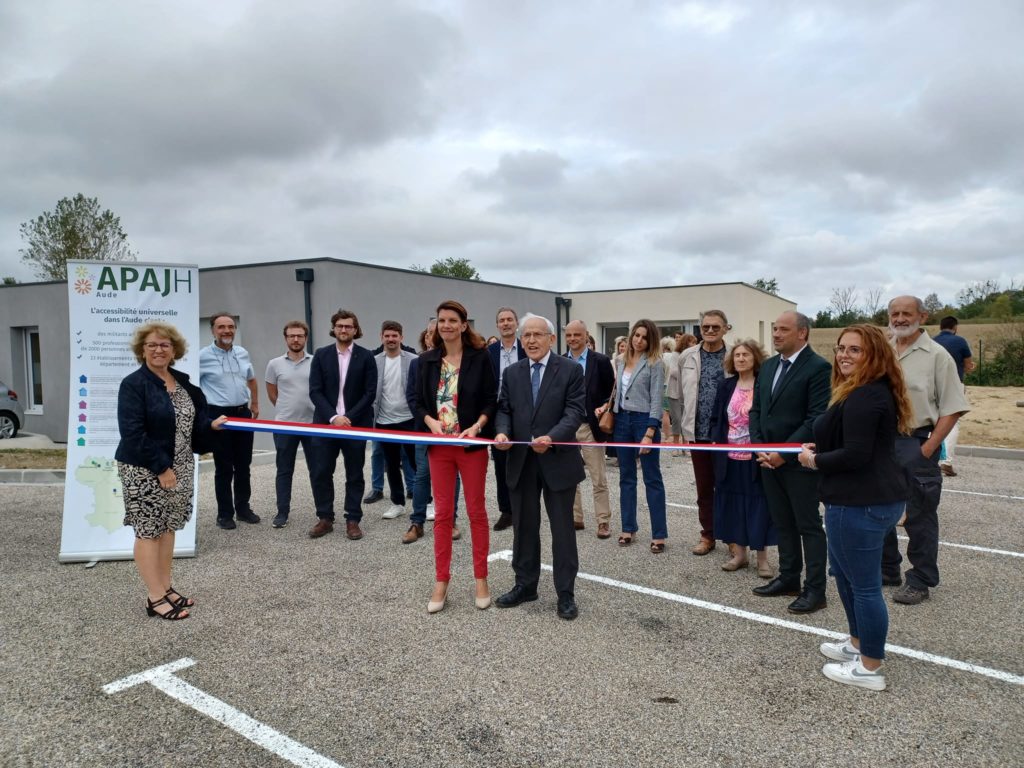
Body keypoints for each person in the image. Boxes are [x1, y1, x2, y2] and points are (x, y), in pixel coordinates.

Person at [798, 324, 912, 691]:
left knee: (863, 586)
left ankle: (869, 667)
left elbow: (857, 455)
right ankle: (859, 643)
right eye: (841, 348)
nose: (844, 355)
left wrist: (815, 462)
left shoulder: (867, 396)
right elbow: (855, 445)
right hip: (859, 499)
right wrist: (824, 452)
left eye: (855, 350)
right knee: (846, 577)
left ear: (873, 355)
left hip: (859, 503)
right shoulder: (864, 391)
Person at [115, 322, 227, 620]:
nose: (158, 350)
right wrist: (162, 468)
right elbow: (132, 433)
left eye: (164, 345)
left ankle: (165, 588)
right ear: (142, 350)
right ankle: (154, 597)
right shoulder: (133, 385)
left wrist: (211, 427)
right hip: (144, 469)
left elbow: (193, 425)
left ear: (174, 350)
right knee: (148, 530)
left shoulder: (184, 383)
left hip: (180, 466)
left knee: (168, 528)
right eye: (151, 345)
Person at [494, 314, 586, 619]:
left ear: (551, 339)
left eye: (537, 334)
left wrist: (554, 437)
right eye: (526, 336)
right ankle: (525, 585)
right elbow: (504, 408)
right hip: (521, 461)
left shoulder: (570, 370)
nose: (531, 341)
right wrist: (503, 431)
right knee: (524, 527)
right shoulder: (513, 372)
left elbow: (575, 411)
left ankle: (565, 593)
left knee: (562, 530)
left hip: (558, 460)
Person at [882, 296, 970, 605]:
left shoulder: (938, 356)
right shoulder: (883, 352)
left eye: (907, 313)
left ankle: (920, 578)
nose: (901, 318)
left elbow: (953, 407)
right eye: (895, 313)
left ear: (923, 315)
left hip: (916, 442)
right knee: (879, 509)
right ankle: (888, 568)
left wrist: (930, 446)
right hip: (880, 443)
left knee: (920, 514)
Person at [414, 300, 496, 613]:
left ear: (463, 325)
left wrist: (478, 426)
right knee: (443, 514)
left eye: (452, 320)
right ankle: (441, 579)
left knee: (476, 511)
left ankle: (481, 577)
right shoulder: (427, 360)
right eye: (441, 320)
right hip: (440, 448)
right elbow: (418, 402)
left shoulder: (480, 357)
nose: (445, 325)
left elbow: (491, 400)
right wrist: (430, 422)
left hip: (471, 447)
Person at [749, 311, 832, 614]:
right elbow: (756, 411)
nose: (776, 334)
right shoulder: (769, 366)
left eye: (783, 329)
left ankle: (815, 590)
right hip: (768, 459)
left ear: (803, 334)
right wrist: (761, 448)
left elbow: (815, 418)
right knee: (782, 522)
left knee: (808, 525)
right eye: (774, 329)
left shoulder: (818, 368)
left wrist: (782, 454)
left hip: (798, 462)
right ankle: (789, 578)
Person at [597, 319, 667, 552]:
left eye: (644, 337)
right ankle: (628, 528)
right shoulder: (620, 360)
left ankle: (659, 533)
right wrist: (605, 408)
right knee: (626, 477)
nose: (638, 340)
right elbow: (617, 391)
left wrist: (650, 432)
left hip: (643, 421)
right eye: (636, 335)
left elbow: (657, 399)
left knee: (652, 478)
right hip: (622, 421)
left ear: (651, 340)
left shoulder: (655, 362)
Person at [307, 309, 377, 540]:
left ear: (355, 330)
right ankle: (325, 517)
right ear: (334, 329)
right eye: (340, 326)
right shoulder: (321, 355)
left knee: (355, 473)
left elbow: (369, 393)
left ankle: (353, 519)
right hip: (326, 425)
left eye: (348, 326)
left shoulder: (366, 357)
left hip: (355, 425)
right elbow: (315, 391)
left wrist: (348, 417)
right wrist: (333, 417)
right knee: (321, 471)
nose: (344, 330)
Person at [710, 340, 775, 577]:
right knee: (733, 505)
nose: (740, 359)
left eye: (745, 354)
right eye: (736, 355)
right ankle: (739, 555)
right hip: (728, 457)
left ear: (755, 358)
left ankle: (762, 559)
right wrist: (715, 440)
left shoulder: (764, 385)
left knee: (758, 505)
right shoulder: (726, 386)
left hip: (755, 457)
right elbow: (716, 417)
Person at [199, 312, 260, 530]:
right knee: (224, 467)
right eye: (221, 327)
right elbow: (193, 388)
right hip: (219, 416)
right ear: (213, 330)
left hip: (243, 414)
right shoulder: (202, 356)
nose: (227, 331)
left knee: (244, 464)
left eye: (230, 326)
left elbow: (251, 379)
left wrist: (254, 404)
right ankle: (225, 514)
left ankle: (243, 509)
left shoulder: (242, 353)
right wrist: (204, 416)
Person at [403, 320, 462, 543]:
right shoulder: (418, 364)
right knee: (422, 474)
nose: (433, 336)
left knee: (452, 476)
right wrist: (429, 422)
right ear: (426, 337)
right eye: (429, 333)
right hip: (426, 431)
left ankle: (451, 520)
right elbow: (412, 398)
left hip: (453, 432)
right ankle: (417, 522)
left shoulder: (457, 361)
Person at [679, 310, 732, 554]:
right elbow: (676, 395)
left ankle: (733, 537)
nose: (710, 331)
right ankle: (708, 535)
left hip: (728, 434)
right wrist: (681, 427)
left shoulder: (735, 355)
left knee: (728, 486)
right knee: (704, 488)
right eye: (706, 327)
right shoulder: (688, 356)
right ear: (700, 329)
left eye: (715, 327)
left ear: (726, 329)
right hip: (698, 432)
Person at [564, 320, 615, 538]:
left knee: (598, 477)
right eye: (569, 335)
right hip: (566, 427)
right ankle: (576, 517)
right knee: (570, 476)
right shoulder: (559, 361)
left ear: (586, 336)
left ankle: (603, 521)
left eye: (577, 334)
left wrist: (604, 406)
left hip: (589, 426)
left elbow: (610, 391)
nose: (573, 339)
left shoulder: (600, 361)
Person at [264, 320, 315, 529]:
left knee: (317, 469)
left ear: (305, 338)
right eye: (291, 336)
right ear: (286, 338)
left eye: (300, 336)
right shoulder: (274, 364)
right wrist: (288, 410)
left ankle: (323, 512)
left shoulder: (315, 361)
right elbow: (272, 394)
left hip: (313, 425)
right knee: (284, 470)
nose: (295, 339)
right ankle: (282, 512)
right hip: (285, 425)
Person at [372, 320, 418, 521]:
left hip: (409, 419)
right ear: (381, 337)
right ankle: (398, 503)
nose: (391, 339)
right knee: (391, 464)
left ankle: (427, 501)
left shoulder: (414, 360)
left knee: (418, 463)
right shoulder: (374, 361)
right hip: (384, 421)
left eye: (395, 335)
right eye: (387, 335)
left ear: (401, 337)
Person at [487, 307, 527, 531]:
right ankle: (506, 511)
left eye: (509, 319)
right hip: (497, 413)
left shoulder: (527, 347)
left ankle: (523, 507)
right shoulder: (489, 351)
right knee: (501, 465)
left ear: (516, 323)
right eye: (501, 320)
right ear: (497, 325)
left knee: (524, 462)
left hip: (524, 411)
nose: (505, 323)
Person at [932, 315, 975, 477]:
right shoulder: (961, 341)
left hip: (932, 385)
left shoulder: (931, 341)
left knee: (933, 421)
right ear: (955, 327)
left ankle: (932, 458)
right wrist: (970, 367)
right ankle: (946, 461)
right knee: (952, 422)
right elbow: (968, 365)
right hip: (955, 385)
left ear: (940, 327)